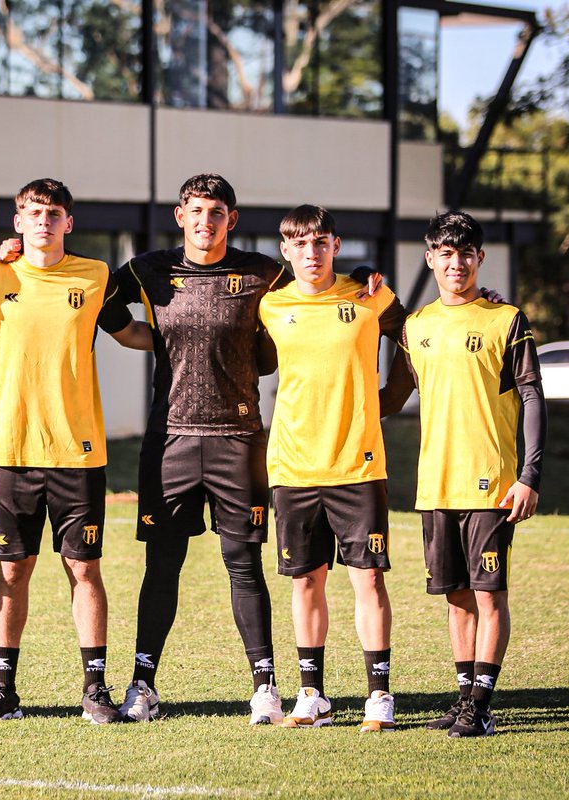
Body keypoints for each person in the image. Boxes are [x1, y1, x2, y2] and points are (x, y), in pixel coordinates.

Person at [110, 176, 380, 725]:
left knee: (244, 566)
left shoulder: (263, 271)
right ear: (180, 216)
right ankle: (143, 685)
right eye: (196, 211)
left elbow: (319, 279)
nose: (205, 221)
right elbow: (99, 305)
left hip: (239, 440)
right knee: (162, 567)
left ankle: (265, 687)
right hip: (172, 440)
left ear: (230, 219)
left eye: (217, 212)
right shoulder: (147, 269)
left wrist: (366, 280)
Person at [0, 178, 151, 723]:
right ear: (17, 220)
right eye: (34, 212)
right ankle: (3, 690)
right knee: (12, 572)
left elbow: (128, 333)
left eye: (55, 213)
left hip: (77, 452)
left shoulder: (94, 276)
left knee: (83, 569)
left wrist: (188, 335)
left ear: (70, 223)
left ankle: (94, 690)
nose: (44, 220)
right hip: (12, 452)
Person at [380, 210, 546, 738]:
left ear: (480, 258)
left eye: (465, 253)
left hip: (491, 483)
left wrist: (530, 474)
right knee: (456, 596)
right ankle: (463, 697)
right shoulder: (416, 327)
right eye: (445, 254)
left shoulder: (506, 319)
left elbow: (532, 395)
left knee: (489, 593)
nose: (456, 263)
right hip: (435, 486)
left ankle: (482, 705)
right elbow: (391, 398)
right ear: (430, 259)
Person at [258, 205, 407, 732]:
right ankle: (312, 694)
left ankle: (379, 696)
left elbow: (417, 335)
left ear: (336, 246)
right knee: (305, 582)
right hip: (293, 467)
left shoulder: (369, 296)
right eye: (299, 244)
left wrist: (390, 396)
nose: (310, 252)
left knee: (367, 579)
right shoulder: (271, 306)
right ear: (285, 250)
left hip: (358, 464)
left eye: (320, 242)